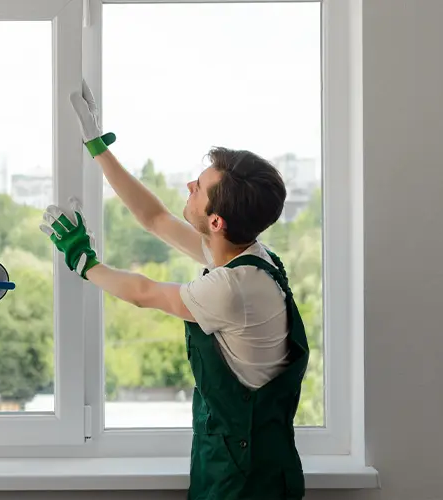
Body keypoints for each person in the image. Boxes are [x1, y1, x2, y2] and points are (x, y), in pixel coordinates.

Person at [43, 81, 309, 500]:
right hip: (248, 461)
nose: (190, 186)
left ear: (217, 221)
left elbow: (143, 293)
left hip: (242, 481)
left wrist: (83, 261)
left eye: (199, 188)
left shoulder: (231, 290)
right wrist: (97, 146)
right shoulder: (253, 256)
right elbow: (156, 219)